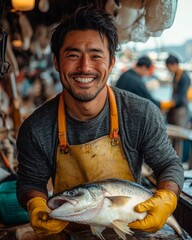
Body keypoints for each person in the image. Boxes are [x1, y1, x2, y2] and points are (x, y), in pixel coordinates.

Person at [16, 6, 184, 239]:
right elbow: (29, 182)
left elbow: (169, 165)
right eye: (73, 55)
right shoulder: (36, 128)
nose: (85, 67)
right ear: (56, 62)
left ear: (112, 62)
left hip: (130, 228)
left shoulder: (141, 113)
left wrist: (167, 197)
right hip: (69, 229)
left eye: (96, 55)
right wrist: (35, 203)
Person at [165, 54, 191, 127]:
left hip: (181, 109)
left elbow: (182, 94)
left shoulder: (183, 77)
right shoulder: (176, 75)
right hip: (175, 107)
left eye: (168, 66)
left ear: (174, 64)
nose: (168, 69)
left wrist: (171, 103)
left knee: (179, 130)